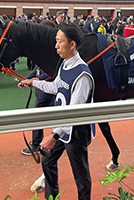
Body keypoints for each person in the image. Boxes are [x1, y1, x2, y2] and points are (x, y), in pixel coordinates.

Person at [19, 23, 94, 200]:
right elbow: (55, 87)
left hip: (76, 131)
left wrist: (53, 136)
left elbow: (74, 113)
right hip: (63, 128)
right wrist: (34, 82)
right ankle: (51, 197)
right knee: (47, 160)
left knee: (81, 176)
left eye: (60, 42)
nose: (56, 46)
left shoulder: (83, 75)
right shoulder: (65, 64)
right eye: (56, 41)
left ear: (72, 44)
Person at [20, 66, 56, 155]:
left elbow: (51, 73)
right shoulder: (39, 61)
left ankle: (36, 145)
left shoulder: (49, 59)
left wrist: (35, 80)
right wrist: (25, 80)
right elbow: (35, 71)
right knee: (56, 118)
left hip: (45, 95)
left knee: (37, 119)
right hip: (41, 94)